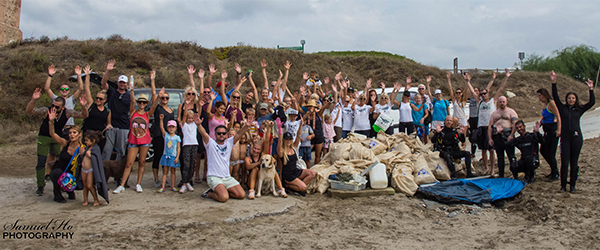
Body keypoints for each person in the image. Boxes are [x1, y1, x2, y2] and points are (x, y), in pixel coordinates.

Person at [26, 88, 88, 196]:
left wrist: (83, 106)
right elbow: (29, 111)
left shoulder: (67, 112)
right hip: (44, 136)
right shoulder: (47, 111)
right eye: (53, 105)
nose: (54, 108)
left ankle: (63, 183)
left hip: (58, 136)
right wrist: (33, 100)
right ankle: (40, 186)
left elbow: (84, 115)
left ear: (63, 107)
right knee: (41, 161)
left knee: (62, 160)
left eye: (57, 107)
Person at [113, 71, 160, 194]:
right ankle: (122, 184)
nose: (142, 104)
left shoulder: (147, 114)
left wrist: (159, 96)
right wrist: (132, 90)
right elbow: (132, 101)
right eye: (140, 102)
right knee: (129, 163)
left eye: (144, 102)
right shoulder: (133, 112)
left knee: (142, 162)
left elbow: (154, 106)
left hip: (145, 141)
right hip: (133, 141)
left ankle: (138, 183)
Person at [551, 71, 595, 193]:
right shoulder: (562, 108)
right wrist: (554, 82)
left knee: (574, 163)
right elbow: (555, 97)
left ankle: (573, 185)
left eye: (573, 98)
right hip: (565, 138)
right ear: (567, 99)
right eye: (569, 98)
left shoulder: (579, 109)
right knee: (565, 161)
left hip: (576, 138)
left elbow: (592, 103)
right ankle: (563, 185)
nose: (571, 100)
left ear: (576, 99)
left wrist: (590, 89)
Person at [466, 71, 510, 175]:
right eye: (481, 94)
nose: (483, 95)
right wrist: (467, 81)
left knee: (491, 150)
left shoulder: (493, 101)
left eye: (485, 93)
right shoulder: (479, 102)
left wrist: (506, 77)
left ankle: (492, 169)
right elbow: (472, 91)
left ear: (488, 94)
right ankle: (486, 168)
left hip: (490, 128)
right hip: (481, 127)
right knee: (483, 150)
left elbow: (500, 89)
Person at [198, 117, 250, 202]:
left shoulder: (228, 142)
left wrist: (246, 126)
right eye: (219, 133)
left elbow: (239, 134)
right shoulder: (210, 143)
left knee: (241, 195)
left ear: (226, 134)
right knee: (223, 198)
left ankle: (222, 190)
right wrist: (199, 125)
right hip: (214, 177)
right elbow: (203, 133)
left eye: (223, 133)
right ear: (215, 134)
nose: (221, 135)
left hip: (227, 177)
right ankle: (209, 193)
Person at [46, 108, 86, 203]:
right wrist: (51, 121)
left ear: (79, 135)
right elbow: (52, 134)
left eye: (74, 133)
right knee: (57, 173)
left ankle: (69, 190)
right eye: (70, 133)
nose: (72, 135)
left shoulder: (82, 148)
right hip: (59, 171)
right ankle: (57, 195)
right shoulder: (65, 143)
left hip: (72, 175)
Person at [278, 115, 317, 196]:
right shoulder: (282, 151)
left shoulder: (293, 148)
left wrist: (300, 125)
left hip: (296, 171)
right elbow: (279, 142)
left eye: (290, 139)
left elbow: (298, 136)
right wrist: (280, 130)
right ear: (284, 141)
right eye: (286, 140)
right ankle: (288, 185)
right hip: (288, 175)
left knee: (312, 173)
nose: (288, 141)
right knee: (303, 188)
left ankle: (296, 186)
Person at [101, 60, 131, 161]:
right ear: (117, 83)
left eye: (124, 83)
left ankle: (118, 173)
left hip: (124, 126)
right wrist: (107, 71)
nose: (122, 84)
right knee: (107, 149)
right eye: (120, 82)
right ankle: (104, 171)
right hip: (111, 125)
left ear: (126, 84)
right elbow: (103, 83)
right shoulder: (112, 92)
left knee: (121, 150)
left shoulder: (129, 95)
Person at [43, 65, 84, 136]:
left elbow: (80, 89)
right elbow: (47, 89)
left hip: (69, 128)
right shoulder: (55, 99)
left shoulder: (72, 99)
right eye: (62, 89)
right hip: (56, 127)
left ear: (69, 91)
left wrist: (79, 76)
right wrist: (50, 75)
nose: (64, 90)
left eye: (66, 89)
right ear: (59, 91)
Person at [81, 65, 111, 153]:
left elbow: (108, 123)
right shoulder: (92, 105)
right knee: (86, 153)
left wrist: (109, 126)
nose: (98, 100)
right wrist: (87, 76)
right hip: (88, 134)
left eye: (100, 99)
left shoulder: (107, 111)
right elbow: (87, 89)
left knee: (97, 153)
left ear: (105, 100)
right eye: (97, 98)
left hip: (99, 136)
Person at [488, 96, 518, 178]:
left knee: (511, 155)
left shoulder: (511, 112)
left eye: (503, 102)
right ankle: (501, 174)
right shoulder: (495, 113)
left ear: (506, 102)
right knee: (500, 156)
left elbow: (515, 124)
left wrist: (512, 135)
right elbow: (490, 126)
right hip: (497, 136)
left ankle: (515, 174)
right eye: (500, 102)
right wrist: (490, 138)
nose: (502, 103)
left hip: (508, 134)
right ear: (498, 102)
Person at [536, 88, 561, 182]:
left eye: (540, 96)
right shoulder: (544, 105)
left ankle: (555, 173)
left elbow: (558, 116)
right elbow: (544, 116)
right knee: (543, 150)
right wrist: (540, 123)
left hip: (552, 130)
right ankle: (553, 170)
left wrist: (559, 129)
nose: (539, 98)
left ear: (544, 95)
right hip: (546, 130)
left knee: (551, 153)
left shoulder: (551, 103)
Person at [152, 87, 175, 187]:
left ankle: (164, 179)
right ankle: (156, 179)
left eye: (166, 98)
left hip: (168, 137)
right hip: (158, 135)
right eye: (163, 98)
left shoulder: (171, 110)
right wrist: (158, 96)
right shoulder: (157, 108)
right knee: (157, 156)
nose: (165, 99)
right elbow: (153, 100)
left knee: (166, 157)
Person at [79, 131, 108, 206]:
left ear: (93, 140)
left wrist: (90, 156)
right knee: (85, 185)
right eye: (85, 140)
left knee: (89, 185)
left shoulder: (96, 148)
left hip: (90, 170)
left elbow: (97, 159)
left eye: (87, 140)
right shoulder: (86, 148)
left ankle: (96, 199)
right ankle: (85, 200)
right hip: (83, 169)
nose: (86, 142)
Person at [157, 117, 181, 193]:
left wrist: (177, 157)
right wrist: (161, 120)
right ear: (167, 128)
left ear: (175, 128)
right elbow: (161, 127)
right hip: (166, 156)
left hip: (173, 156)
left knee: (173, 172)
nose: (171, 129)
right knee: (165, 172)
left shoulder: (177, 137)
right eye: (169, 127)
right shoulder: (166, 135)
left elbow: (178, 148)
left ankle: (173, 185)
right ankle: (163, 186)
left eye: (173, 127)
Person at [447, 72, 469, 147]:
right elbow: (450, 90)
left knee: (463, 138)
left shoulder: (463, 101)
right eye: (457, 93)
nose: (458, 94)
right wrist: (449, 79)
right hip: (456, 120)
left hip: (462, 119)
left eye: (459, 93)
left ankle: (464, 151)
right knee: (454, 136)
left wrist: (467, 81)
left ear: (461, 93)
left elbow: (466, 91)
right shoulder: (454, 101)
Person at [464, 73, 480, 158]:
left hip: (477, 118)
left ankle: (480, 151)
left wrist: (468, 81)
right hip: (471, 118)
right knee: (471, 136)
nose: (475, 92)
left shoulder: (479, 100)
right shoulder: (471, 99)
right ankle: (473, 152)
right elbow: (469, 91)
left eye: (477, 91)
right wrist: (466, 81)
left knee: (477, 135)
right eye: (475, 91)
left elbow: (472, 91)